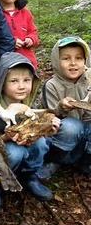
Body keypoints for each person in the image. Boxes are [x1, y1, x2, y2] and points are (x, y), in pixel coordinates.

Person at [0, 52, 55, 209]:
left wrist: (48, 123)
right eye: (14, 81)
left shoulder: (29, 104)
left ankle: (29, 176)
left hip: (27, 145)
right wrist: (6, 137)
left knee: (42, 143)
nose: (22, 86)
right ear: (2, 82)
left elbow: (40, 122)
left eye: (26, 80)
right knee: (15, 153)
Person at [40, 37, 91, 178]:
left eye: (79, 58)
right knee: (71, 127)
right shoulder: (52, 85)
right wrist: (61, 108)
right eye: (66, 58)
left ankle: (86, 162)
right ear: (57, 60)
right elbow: (49, 116)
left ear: (85, 60)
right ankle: (55, 161)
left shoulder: (89, 78)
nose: (73, 63)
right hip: (61, 136)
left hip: (86, 131)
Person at [0, 0, 39, 69]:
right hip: (4, 63)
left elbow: (34, 32)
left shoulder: (25, 12)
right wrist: (11, 41)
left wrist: (31, 39)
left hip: (27, 61)